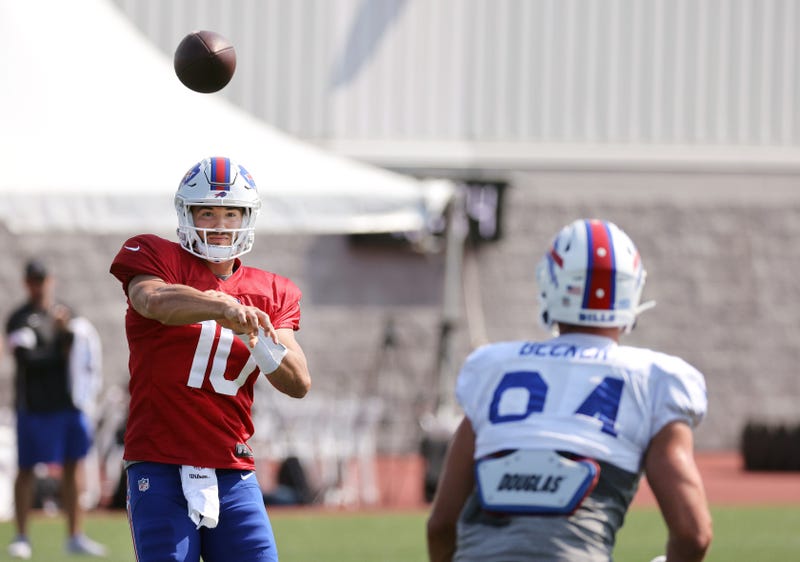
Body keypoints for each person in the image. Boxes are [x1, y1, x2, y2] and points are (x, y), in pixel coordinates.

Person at [427, 219, 713, 562]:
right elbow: (693, 533)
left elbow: (441, 525)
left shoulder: (493, 368)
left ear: (550, 283)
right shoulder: (653, 379)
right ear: (631, 291)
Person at [109, 156, 312, 562]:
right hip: (160, 462)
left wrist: (255, 337)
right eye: (207, 212)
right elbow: (153, 300)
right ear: (187, 213)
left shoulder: (272, 291)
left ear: (246, 217)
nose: (219, 225)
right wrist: (220, 307)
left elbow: (298, 381)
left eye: (230, 213)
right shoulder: (153, 255)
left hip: (232, 469)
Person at [5, 259, 107, 559]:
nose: (39, 286)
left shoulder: (66, 312)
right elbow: (29, 361)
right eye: (34, 280)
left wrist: (65, 340)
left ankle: (75, 534)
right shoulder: (19, 318)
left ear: (52, 280)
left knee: (72, 467)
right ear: (27, 283)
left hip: (67, 405)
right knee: (26, 470)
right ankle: (22, 535)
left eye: (43, 279)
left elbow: (79, 356)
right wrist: (62, 340)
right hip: (34, 406)